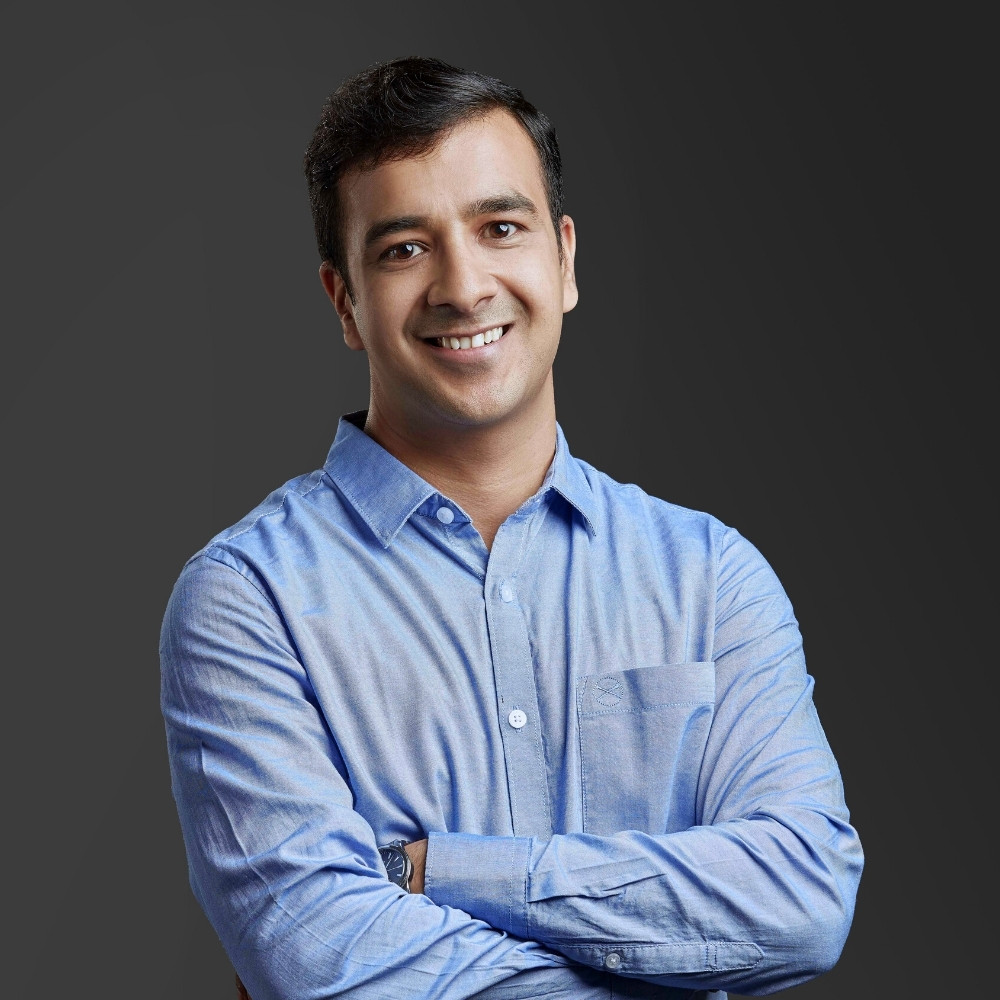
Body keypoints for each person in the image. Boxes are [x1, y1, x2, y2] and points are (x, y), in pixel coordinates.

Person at [160, 56, 863, 1000]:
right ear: (344, 303)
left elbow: (805, 898)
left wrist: (438, 872)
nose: (463, 284)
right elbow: (322, 962)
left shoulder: (710, 575)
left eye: (500, 228)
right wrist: (670, 962)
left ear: (564, 260)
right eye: (404, 248)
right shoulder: (248, 601)